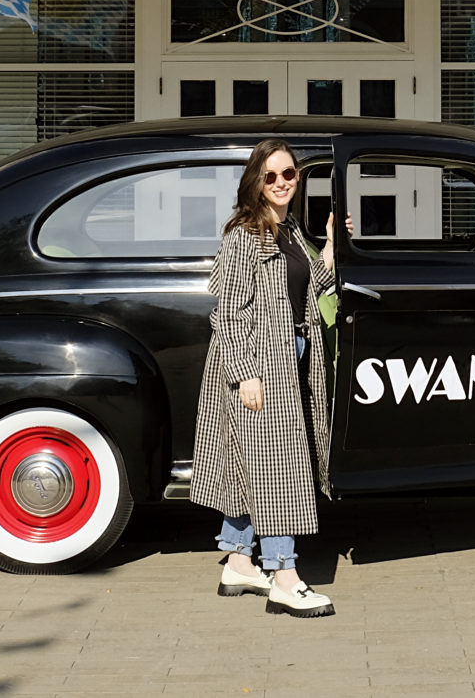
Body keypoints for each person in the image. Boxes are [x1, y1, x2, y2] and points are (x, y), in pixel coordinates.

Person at [189, 138, 339, 618]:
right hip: (257, 364)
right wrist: (245, 375)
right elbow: (227, 313)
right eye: (271, 176)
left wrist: (332, 247)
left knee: (250, 465)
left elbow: (308, 289)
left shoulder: (290, 229)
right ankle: (284, 576)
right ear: (255, 180)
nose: (281, 183)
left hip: (289, 355)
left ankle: (238, 561)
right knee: (278, 469)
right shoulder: (243, 236)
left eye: (289, 174)